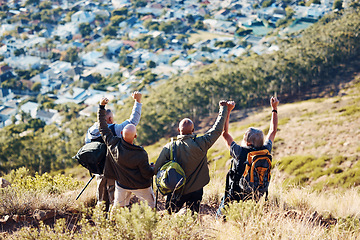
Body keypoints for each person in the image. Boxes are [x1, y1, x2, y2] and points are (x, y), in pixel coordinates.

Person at [154, 100, 229, 214]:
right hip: (196, 190)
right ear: (193, 130)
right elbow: (217, 130)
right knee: (193, 216)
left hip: (176, 190)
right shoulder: (201, 143)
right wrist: (223, 108)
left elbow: (156, 169)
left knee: (170, 215)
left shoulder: (170, 147)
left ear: (179, 130)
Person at [217, 96, 279, 216]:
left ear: (248, 142)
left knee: (222, 214)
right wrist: (274, 108)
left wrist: (228, 111)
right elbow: (273, 131)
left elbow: (224, 134)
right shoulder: (266, 149)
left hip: (236, 194)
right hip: (255, 196)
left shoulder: (240, 151)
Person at [85, 91, 142, 211]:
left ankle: (101, 221)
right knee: (113, 197)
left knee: (101, 198)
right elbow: (133, 122)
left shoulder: (90, 132)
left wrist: (101, 106)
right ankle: (115, 221)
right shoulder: (112, 129)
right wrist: (138, 102)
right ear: (110, 118)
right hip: (111, 169)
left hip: (97, 170)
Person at [98, 97, 155, 210]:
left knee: (118, 208)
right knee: (151, 204)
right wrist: (153, 168)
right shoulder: (141, 153)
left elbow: (102, 127)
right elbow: (146, 174)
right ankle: (151, 221)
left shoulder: (112, 144)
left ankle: (115, 222)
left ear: (121, 133)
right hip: (140, 186)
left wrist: (101, 107)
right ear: (135, 136)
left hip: (122, 185)